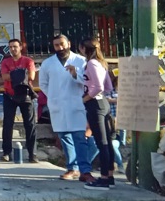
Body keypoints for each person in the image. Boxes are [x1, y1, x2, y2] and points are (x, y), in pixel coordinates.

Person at [39, 34, 94, 182]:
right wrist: (54, 96)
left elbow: (89, 81)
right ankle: (72, 168)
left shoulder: (81, 61)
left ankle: (85, 170)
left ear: (69, 43)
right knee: (65, 138)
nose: (60, 47)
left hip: (77, 104)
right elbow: (43, 84)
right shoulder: (48, 63)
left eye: (62, 44)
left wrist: (76, 74)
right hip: (57, 105)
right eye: (56, 45)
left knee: (80, 138)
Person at [75, 38, 113, 190]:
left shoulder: (91, 63)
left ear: (83, 48)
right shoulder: (101, 63)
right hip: (102, 103)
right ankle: (109, 175)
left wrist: (85, 99)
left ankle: (104, 178)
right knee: (107, 142)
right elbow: (108, 86)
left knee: (101, 142)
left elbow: (98, 87)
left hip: (95, 104)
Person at [0, 38, 37, 162]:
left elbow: (31, 76)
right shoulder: (5, 61)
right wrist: (21, 74)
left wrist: (14, 74)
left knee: (30, 124)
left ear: (21, 47)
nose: (13, 49)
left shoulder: (28, 60)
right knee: (8, 124)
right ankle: (6, 152)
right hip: (9, 95)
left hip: (25, 95)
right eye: (10, 47)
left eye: (15, 46)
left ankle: (32, 154)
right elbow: (5, 76)